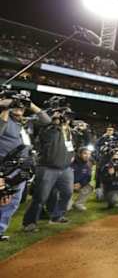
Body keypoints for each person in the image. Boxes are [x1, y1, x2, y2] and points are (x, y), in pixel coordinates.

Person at [0, 98, 50, 240]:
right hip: (4, 166)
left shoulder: (26, 122)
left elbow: (46, 120)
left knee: (13, 201)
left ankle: (0, 230)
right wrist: (5, 107)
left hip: (21, 166)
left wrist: (31, 105)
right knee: (2, 198)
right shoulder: (4, 119)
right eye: (16, 107)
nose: (19, 111)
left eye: (22, 108)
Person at [23, 109, 74, 232]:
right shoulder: (48, 129)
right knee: (40, 197)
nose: (66, 119)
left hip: (65, 168)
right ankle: (30, 223)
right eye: (64, 116)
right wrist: (55, 123)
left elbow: (70, 146)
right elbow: (48, 138)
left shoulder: (68, 132)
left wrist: (71, 155)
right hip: (47, 168)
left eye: (67, 117)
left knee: (67, 193)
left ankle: (57, 216)